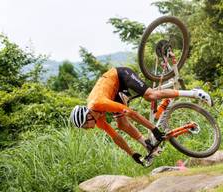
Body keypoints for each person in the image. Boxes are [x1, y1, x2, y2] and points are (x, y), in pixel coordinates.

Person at [70, 67, 212, 165]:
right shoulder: (97, 120)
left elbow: (131, 113)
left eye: (84, 126)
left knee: (151, 96)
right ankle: (148, 145)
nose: (86, 129)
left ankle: (193, 93)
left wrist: (153, 129)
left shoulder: (99, 103)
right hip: (113, 94)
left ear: (87, 116)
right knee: (121, 125)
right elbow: (116, 137)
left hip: (120, 76)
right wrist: (132, 154)